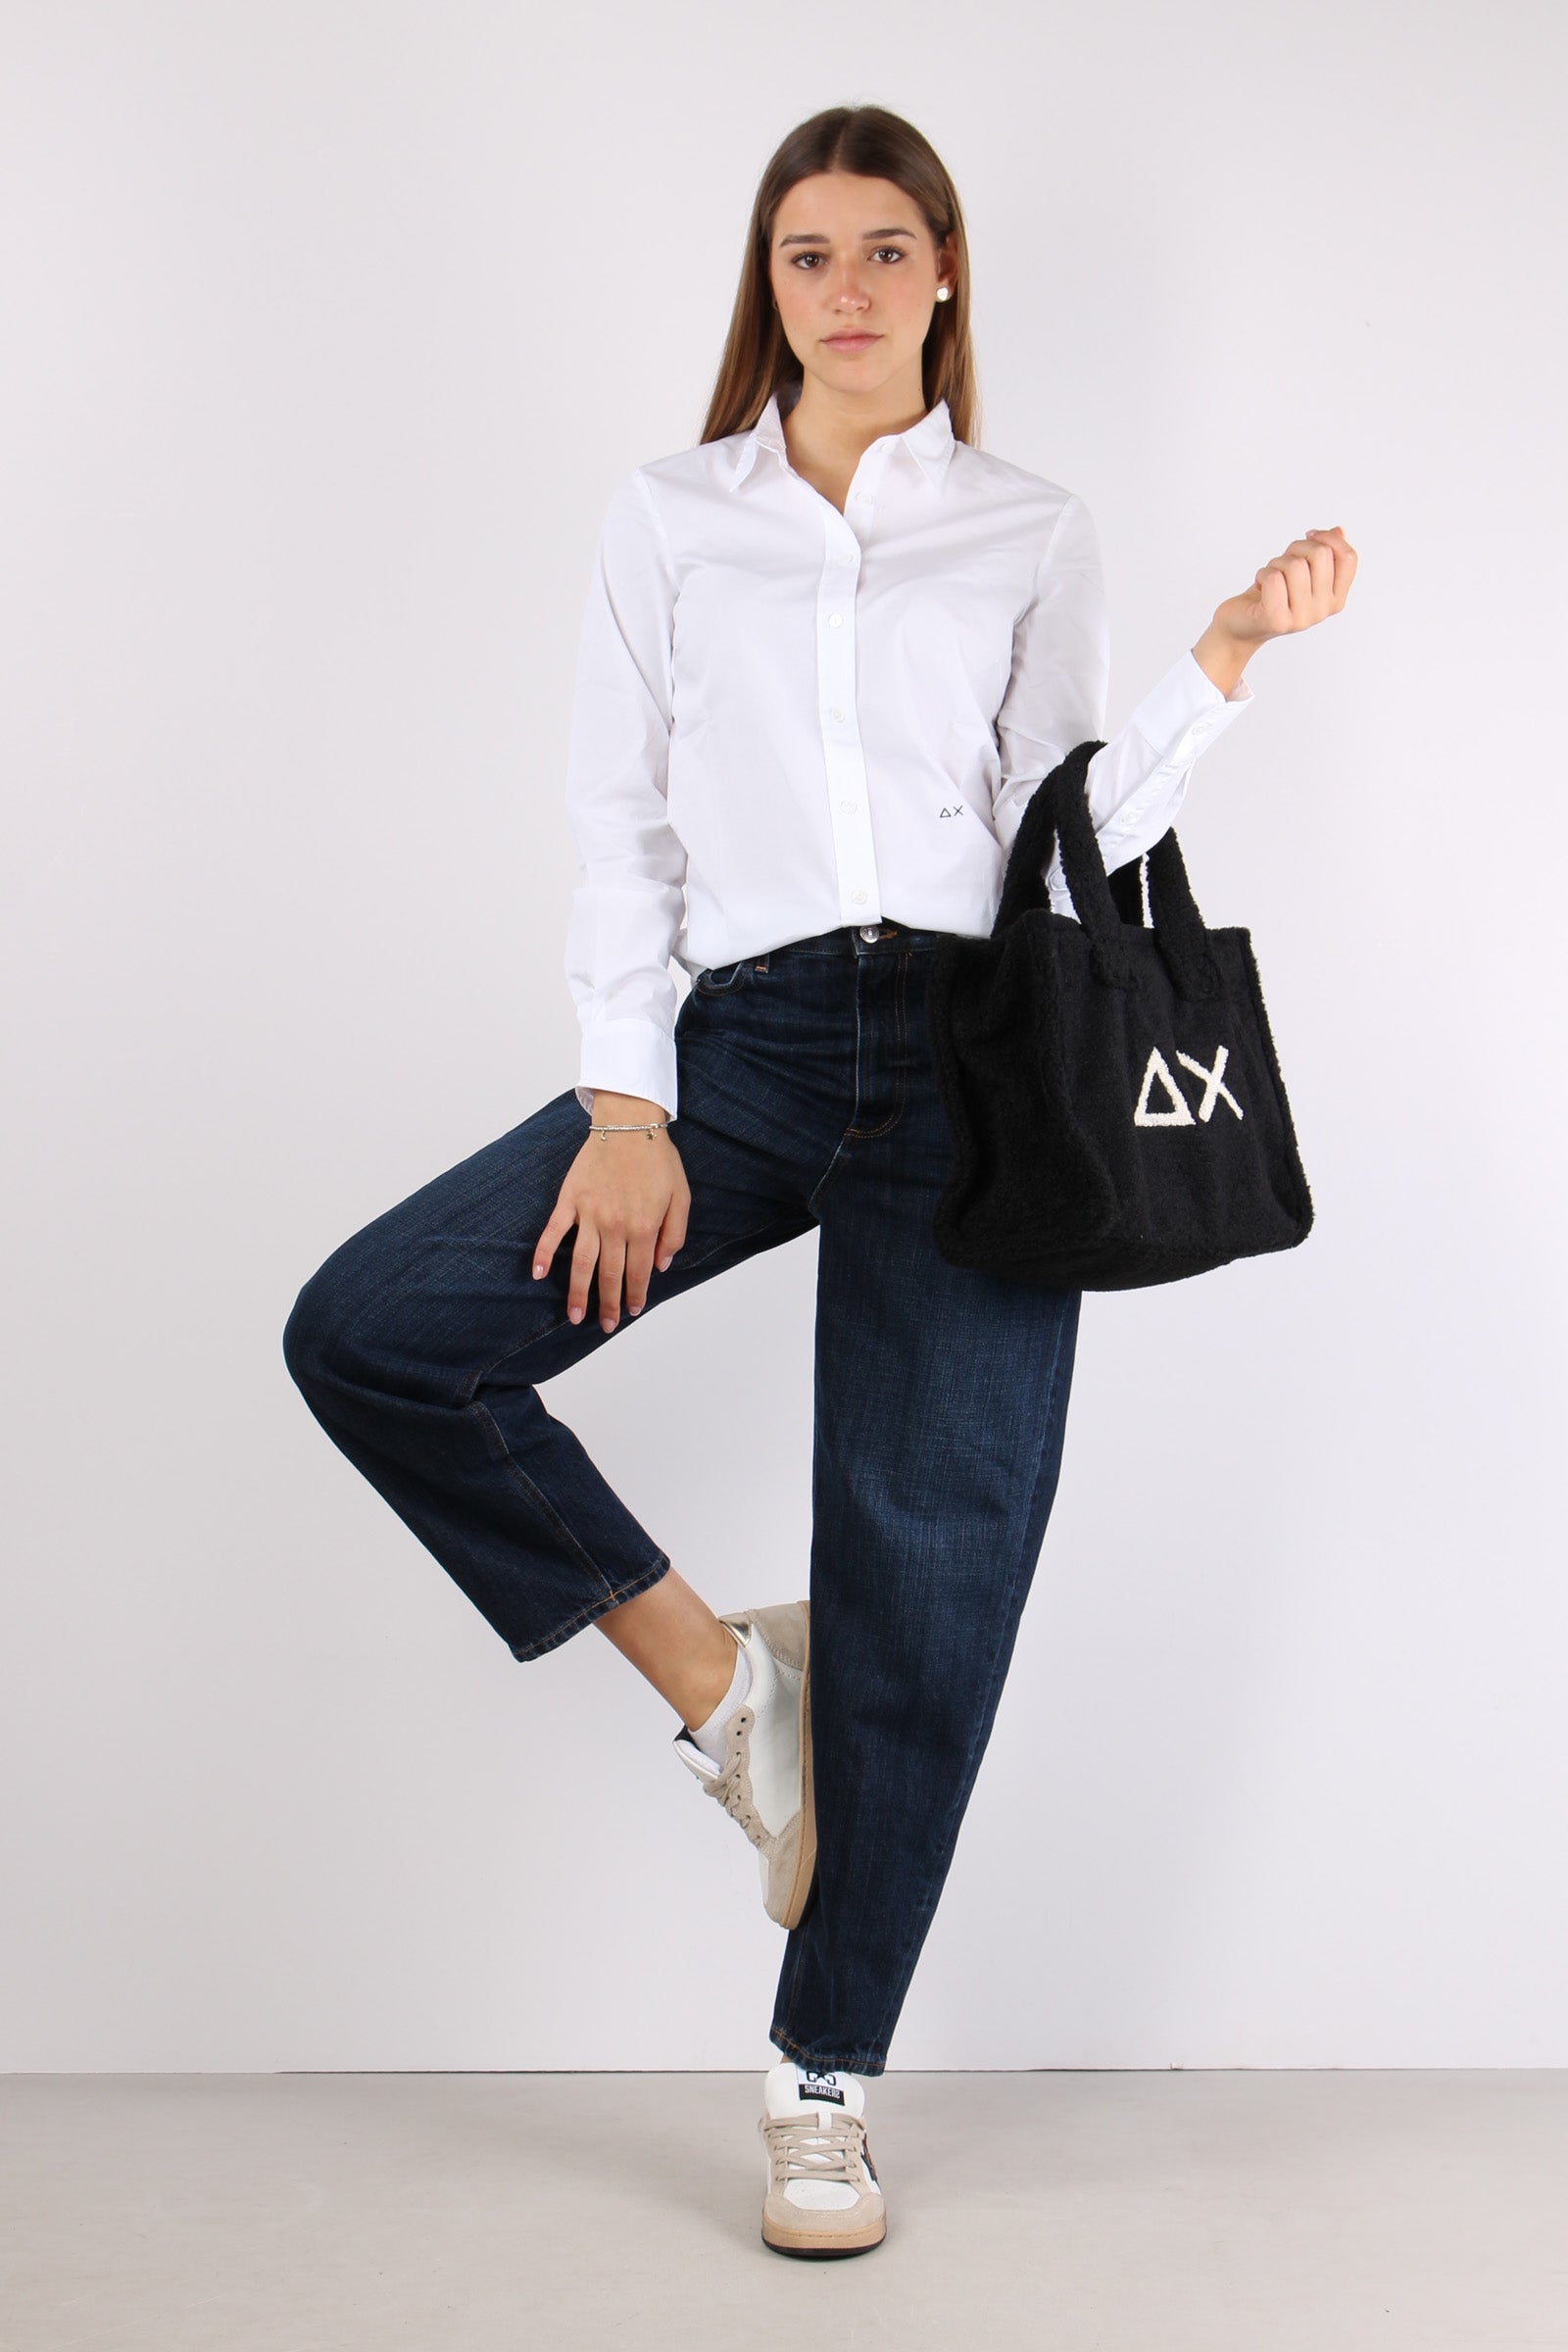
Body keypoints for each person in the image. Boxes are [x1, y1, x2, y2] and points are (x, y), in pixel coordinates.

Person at [281, 102, 1356, 2260]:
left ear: (943, 272)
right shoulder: (671, 517)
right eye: (806, 254)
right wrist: (624, 1107)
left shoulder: (1029, 523)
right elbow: (621, 826)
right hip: (742, 1055)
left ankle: (822, 2078)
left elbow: (1065, 826)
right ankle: (727, 1691)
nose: (846, 288)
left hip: (975, 1069)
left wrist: (1225, 657)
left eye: (883, 248)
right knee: (379, 1335)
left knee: (930, 1578)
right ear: (764, 286)